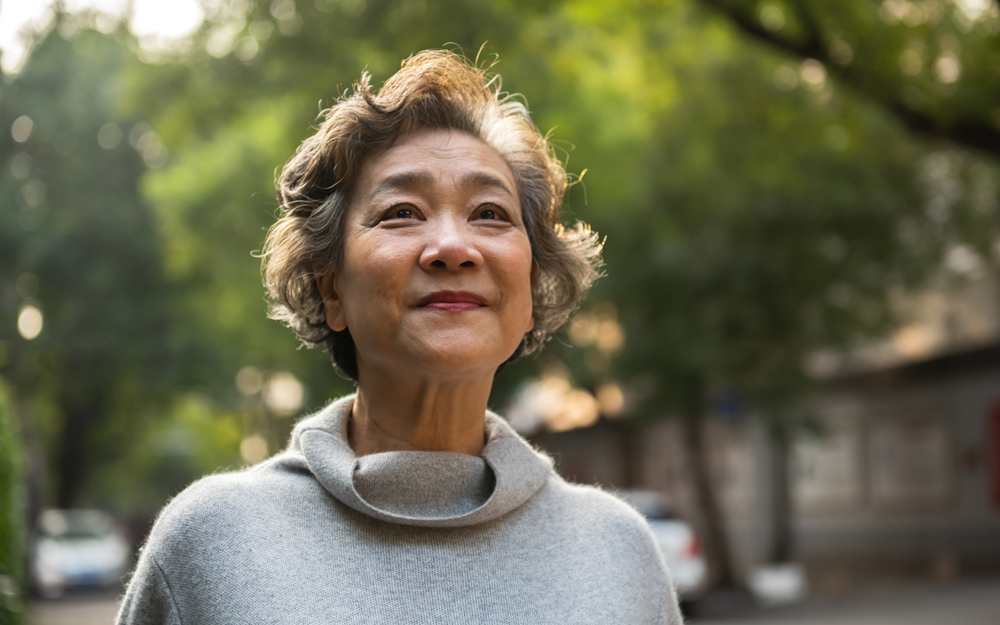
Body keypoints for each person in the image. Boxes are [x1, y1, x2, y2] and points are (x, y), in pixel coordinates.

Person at [117, 50, 683, 625]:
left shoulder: (620, 556)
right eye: (401, 212)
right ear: (331, 287)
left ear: (531, 289)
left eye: (489, 212)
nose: (454, 247)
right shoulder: (210, 545)